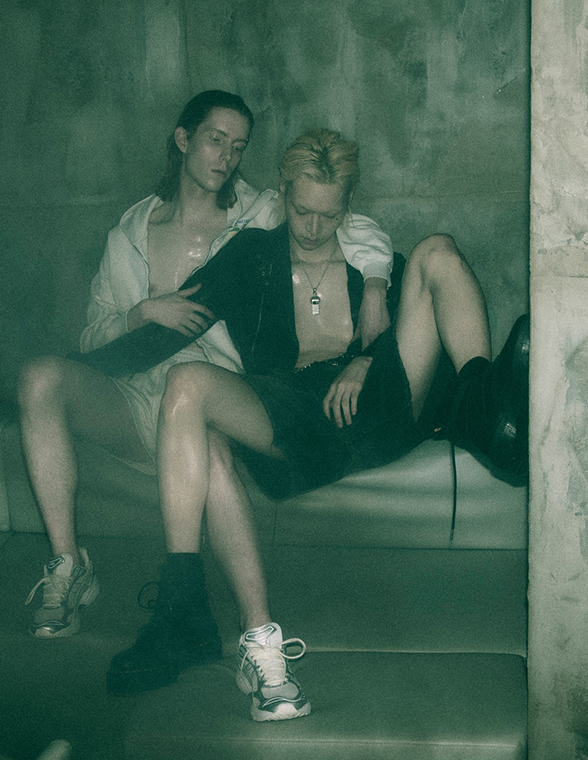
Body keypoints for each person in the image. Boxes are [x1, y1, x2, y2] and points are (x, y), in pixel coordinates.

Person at [80, 129, 529, 720]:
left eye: (330, 214)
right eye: (301, 211)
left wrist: (367, 358)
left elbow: (418, 334)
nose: (314, 227)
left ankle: (483, 407)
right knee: (185, 384)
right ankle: (197, 616)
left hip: (383, 408)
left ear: (348, 205)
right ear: (282, 193)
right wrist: (82, 371)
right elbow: (167, 333)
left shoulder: (375, 265)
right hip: (296, 420)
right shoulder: (249, 257)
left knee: (438, 251)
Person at [19, 93, 396, 643]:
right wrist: (141, 312)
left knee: (193, 395)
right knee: (38, 377)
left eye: (238, 147)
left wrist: (377, 286)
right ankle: (68, 566)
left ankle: (240, 626)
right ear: (183, 139)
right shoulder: (131, 231)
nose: (227, 157)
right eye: (216, 140)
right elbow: (93, 335)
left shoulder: (262, 212)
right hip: (135, 397)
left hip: (219, 398)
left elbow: (347, 222)